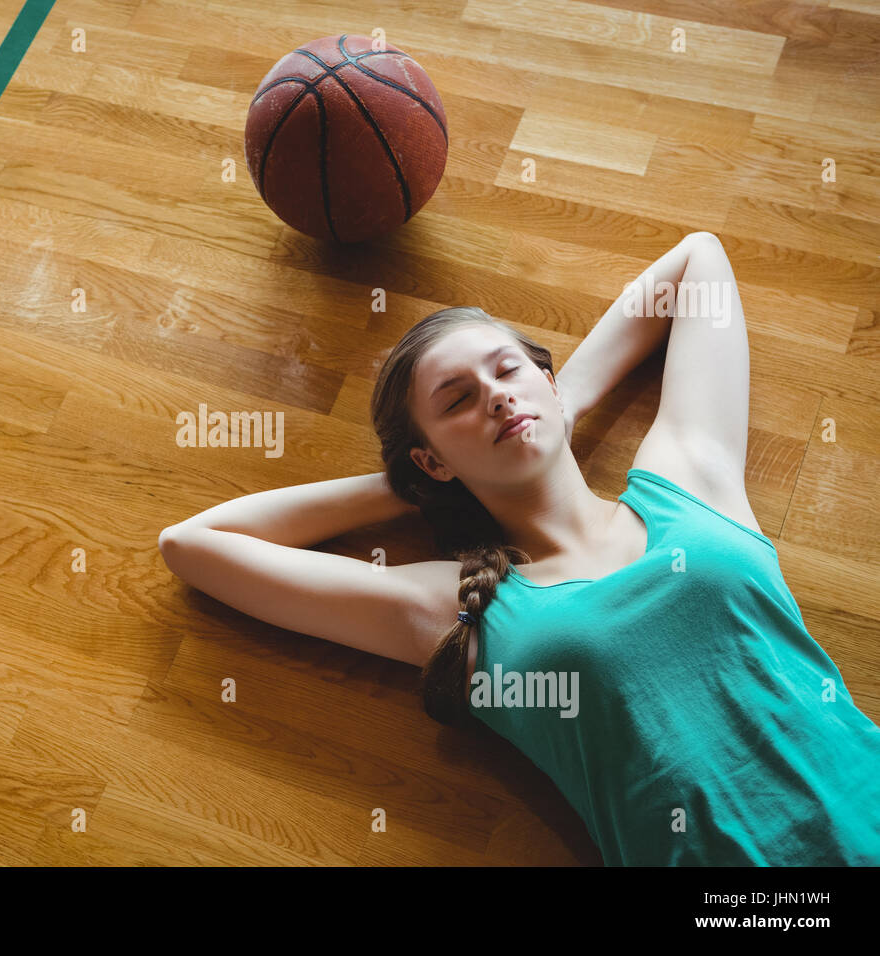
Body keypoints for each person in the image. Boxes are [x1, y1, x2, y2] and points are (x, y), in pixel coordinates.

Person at [160, 232, 880, 865]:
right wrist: (411, 487)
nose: (497, 398)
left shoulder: (687, 481)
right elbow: (194, 544)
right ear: (432, 459)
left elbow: (698, 261)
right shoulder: (470, 611)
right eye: (457, 401)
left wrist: (565, 403)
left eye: (506, 370)